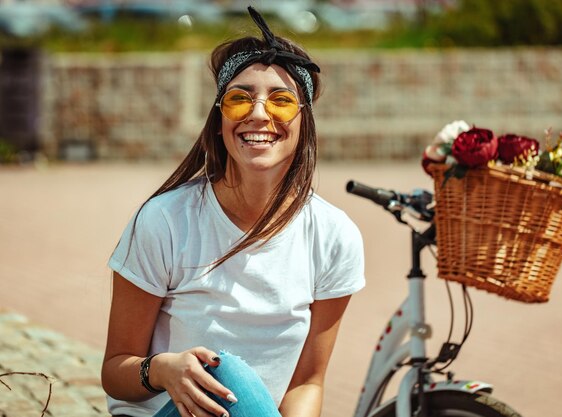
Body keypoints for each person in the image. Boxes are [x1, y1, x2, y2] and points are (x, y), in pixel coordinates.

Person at [101, 6, 365, 417]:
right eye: (239, 99)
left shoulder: (334, 236)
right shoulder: (165, 221)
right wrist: (162, 370)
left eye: (280, 101)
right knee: (226, 374)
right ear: (220, 118)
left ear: (303, 119)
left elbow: (307, 384)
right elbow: (116, 370)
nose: (259, 114)